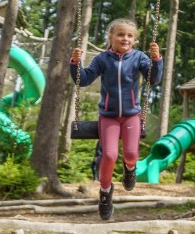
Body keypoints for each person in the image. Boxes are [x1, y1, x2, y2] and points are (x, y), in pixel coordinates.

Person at [70, 18, 163, 220]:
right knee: (109, 155)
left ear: (135, 40)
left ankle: (130, 170)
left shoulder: (138, 57)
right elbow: (83, 79)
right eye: (120, 34)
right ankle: (105, 193)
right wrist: (75, 63)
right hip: (109, 117)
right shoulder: (103, 59)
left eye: (130, 35)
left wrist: (156, 60)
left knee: (131, 154)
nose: (125, 38)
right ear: (110, 37)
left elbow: (153, 78)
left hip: (131, 115)